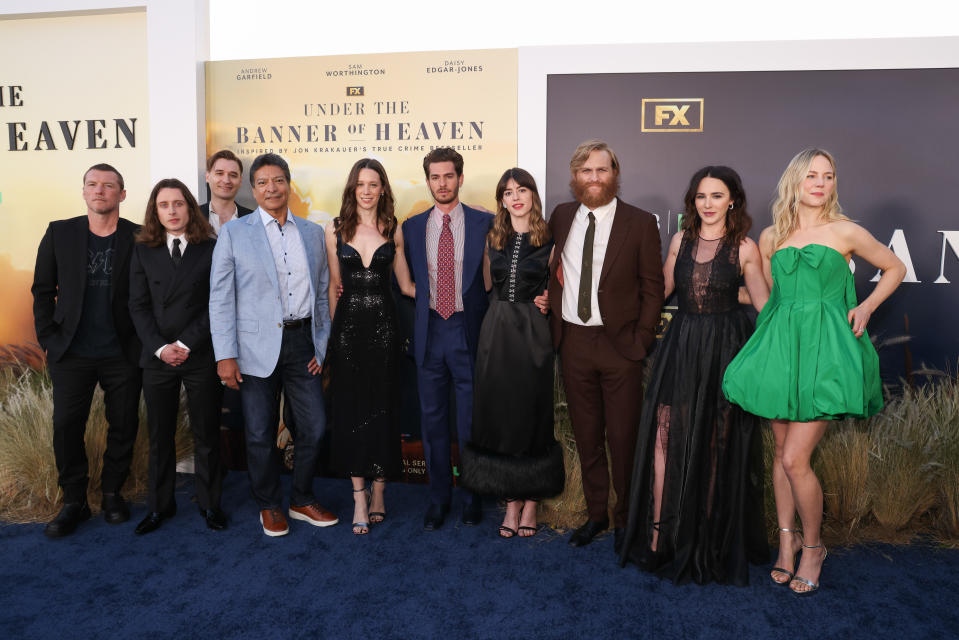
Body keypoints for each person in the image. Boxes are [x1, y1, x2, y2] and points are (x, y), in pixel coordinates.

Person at [723, 148, 906, 594]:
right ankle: (786, 545)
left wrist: (864, 306)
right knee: (781, 455)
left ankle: (814, 547)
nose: (820, 183)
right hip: (782, 351)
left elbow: (895, 267)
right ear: (795, 182)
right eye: (811, 176)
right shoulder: (771, 237)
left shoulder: (845, 231)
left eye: (828, 176)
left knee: (793, 459)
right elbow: (766, 298)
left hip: (825, 353)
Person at [619, 166, 770, 584]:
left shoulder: (744, 248)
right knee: (664, 435)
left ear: (732, 200)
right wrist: (614, 304)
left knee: (715, 441)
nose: (707, 204)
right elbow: (662, 290)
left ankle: (705, 540)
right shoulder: (680, 240)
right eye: (701, 196)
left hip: (725, 348)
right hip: (681, 345)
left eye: (716, 196)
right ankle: (658, 537)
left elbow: (763, 304)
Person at [209, 153, 336, 537]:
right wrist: (225, 354)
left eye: (278, 180)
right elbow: (220, 296)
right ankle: (268, 504)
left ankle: (300, 498)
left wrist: (321, 345)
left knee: (314, 427)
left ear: (288, 184)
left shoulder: (313, 234)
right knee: (260, 433)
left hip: (302, 344)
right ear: (253, 188)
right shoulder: (234, 232)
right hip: (253, 348)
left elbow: (322, 294)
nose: (271, 189)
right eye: (262, 182)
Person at [547, 140, 665, 551]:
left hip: (620, 346)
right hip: (574, 341)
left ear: (614, 174)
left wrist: (642, 338)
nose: (594, 178)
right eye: (586, 171)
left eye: (601, 170)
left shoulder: (639, 222)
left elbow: (653, 288)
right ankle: (597, 514)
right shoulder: (561, 216)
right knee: (587, 435)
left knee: (624, 439)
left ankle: (626, 520)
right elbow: (553, 269)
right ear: (575, 177)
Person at [32, 163, 142, 538]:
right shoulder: (60, 232)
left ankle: (112, 492)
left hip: (121, 351)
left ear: (121, 195)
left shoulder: (139, 237)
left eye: (109, 185)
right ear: (83, 192)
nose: (100, 191)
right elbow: (43, 290)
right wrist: (48, 337)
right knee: (66, 426)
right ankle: (74, 501)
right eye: (92, 184)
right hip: (72, 351)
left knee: (124, 424)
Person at [460, 168, 564, 538]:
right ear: (501, 200)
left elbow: (563, 287)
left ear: (533, 194)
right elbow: (488, 286)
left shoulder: (553, 237)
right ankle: (511, 502)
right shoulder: (493, 237)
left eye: (522, 190)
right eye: (507, 192)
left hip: (533, 331)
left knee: (532, 413)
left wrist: (551, 299)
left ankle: (531, 501)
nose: (515, 197)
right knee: (502, 415)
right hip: (497, 329)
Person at [402, 147, 493, 530]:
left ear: (459, 177)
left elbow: (494, 280)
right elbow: (405, 284)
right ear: (428, 181)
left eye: (449, 176)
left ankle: (473, 495)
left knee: (471, 422)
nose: (442, 183)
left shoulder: (484, 222)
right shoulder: (410, 227)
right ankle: (439, 499)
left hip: (466, 330)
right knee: (433, 421)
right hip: (428, 334)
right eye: (435, 177)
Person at [128, 178, 226, 534]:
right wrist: (160, 347)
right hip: (157, 356)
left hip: (198, 353)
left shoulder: (211, 248)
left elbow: (216, 304)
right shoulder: (143, 250)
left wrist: (185, 345)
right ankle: (159, 507)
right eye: (164, 205)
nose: (171, 211)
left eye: (178, 204)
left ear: (190, 207)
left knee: (207, 434)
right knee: (160, 434)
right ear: (155, 211)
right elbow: (137, 306)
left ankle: (211, 504)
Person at [325, 158, 415, 535]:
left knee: (383, 411)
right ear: (352, 188)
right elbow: (333, 286)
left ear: (382, 189)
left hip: (384, 334)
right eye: (360, 183)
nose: (366, 190)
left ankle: (380, 492)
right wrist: (332, 340)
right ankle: (359, 497)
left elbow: (407, 286)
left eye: (373, 184)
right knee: (351, 414)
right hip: (347, 335)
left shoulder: (394, 229)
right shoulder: (333, 230)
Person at [202, 149, 253, 236]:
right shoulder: (191, 217)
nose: (226, 180)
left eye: (233, 175)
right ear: (207, 177)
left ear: (240, 180)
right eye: (219, 173)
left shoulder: (254, 219)